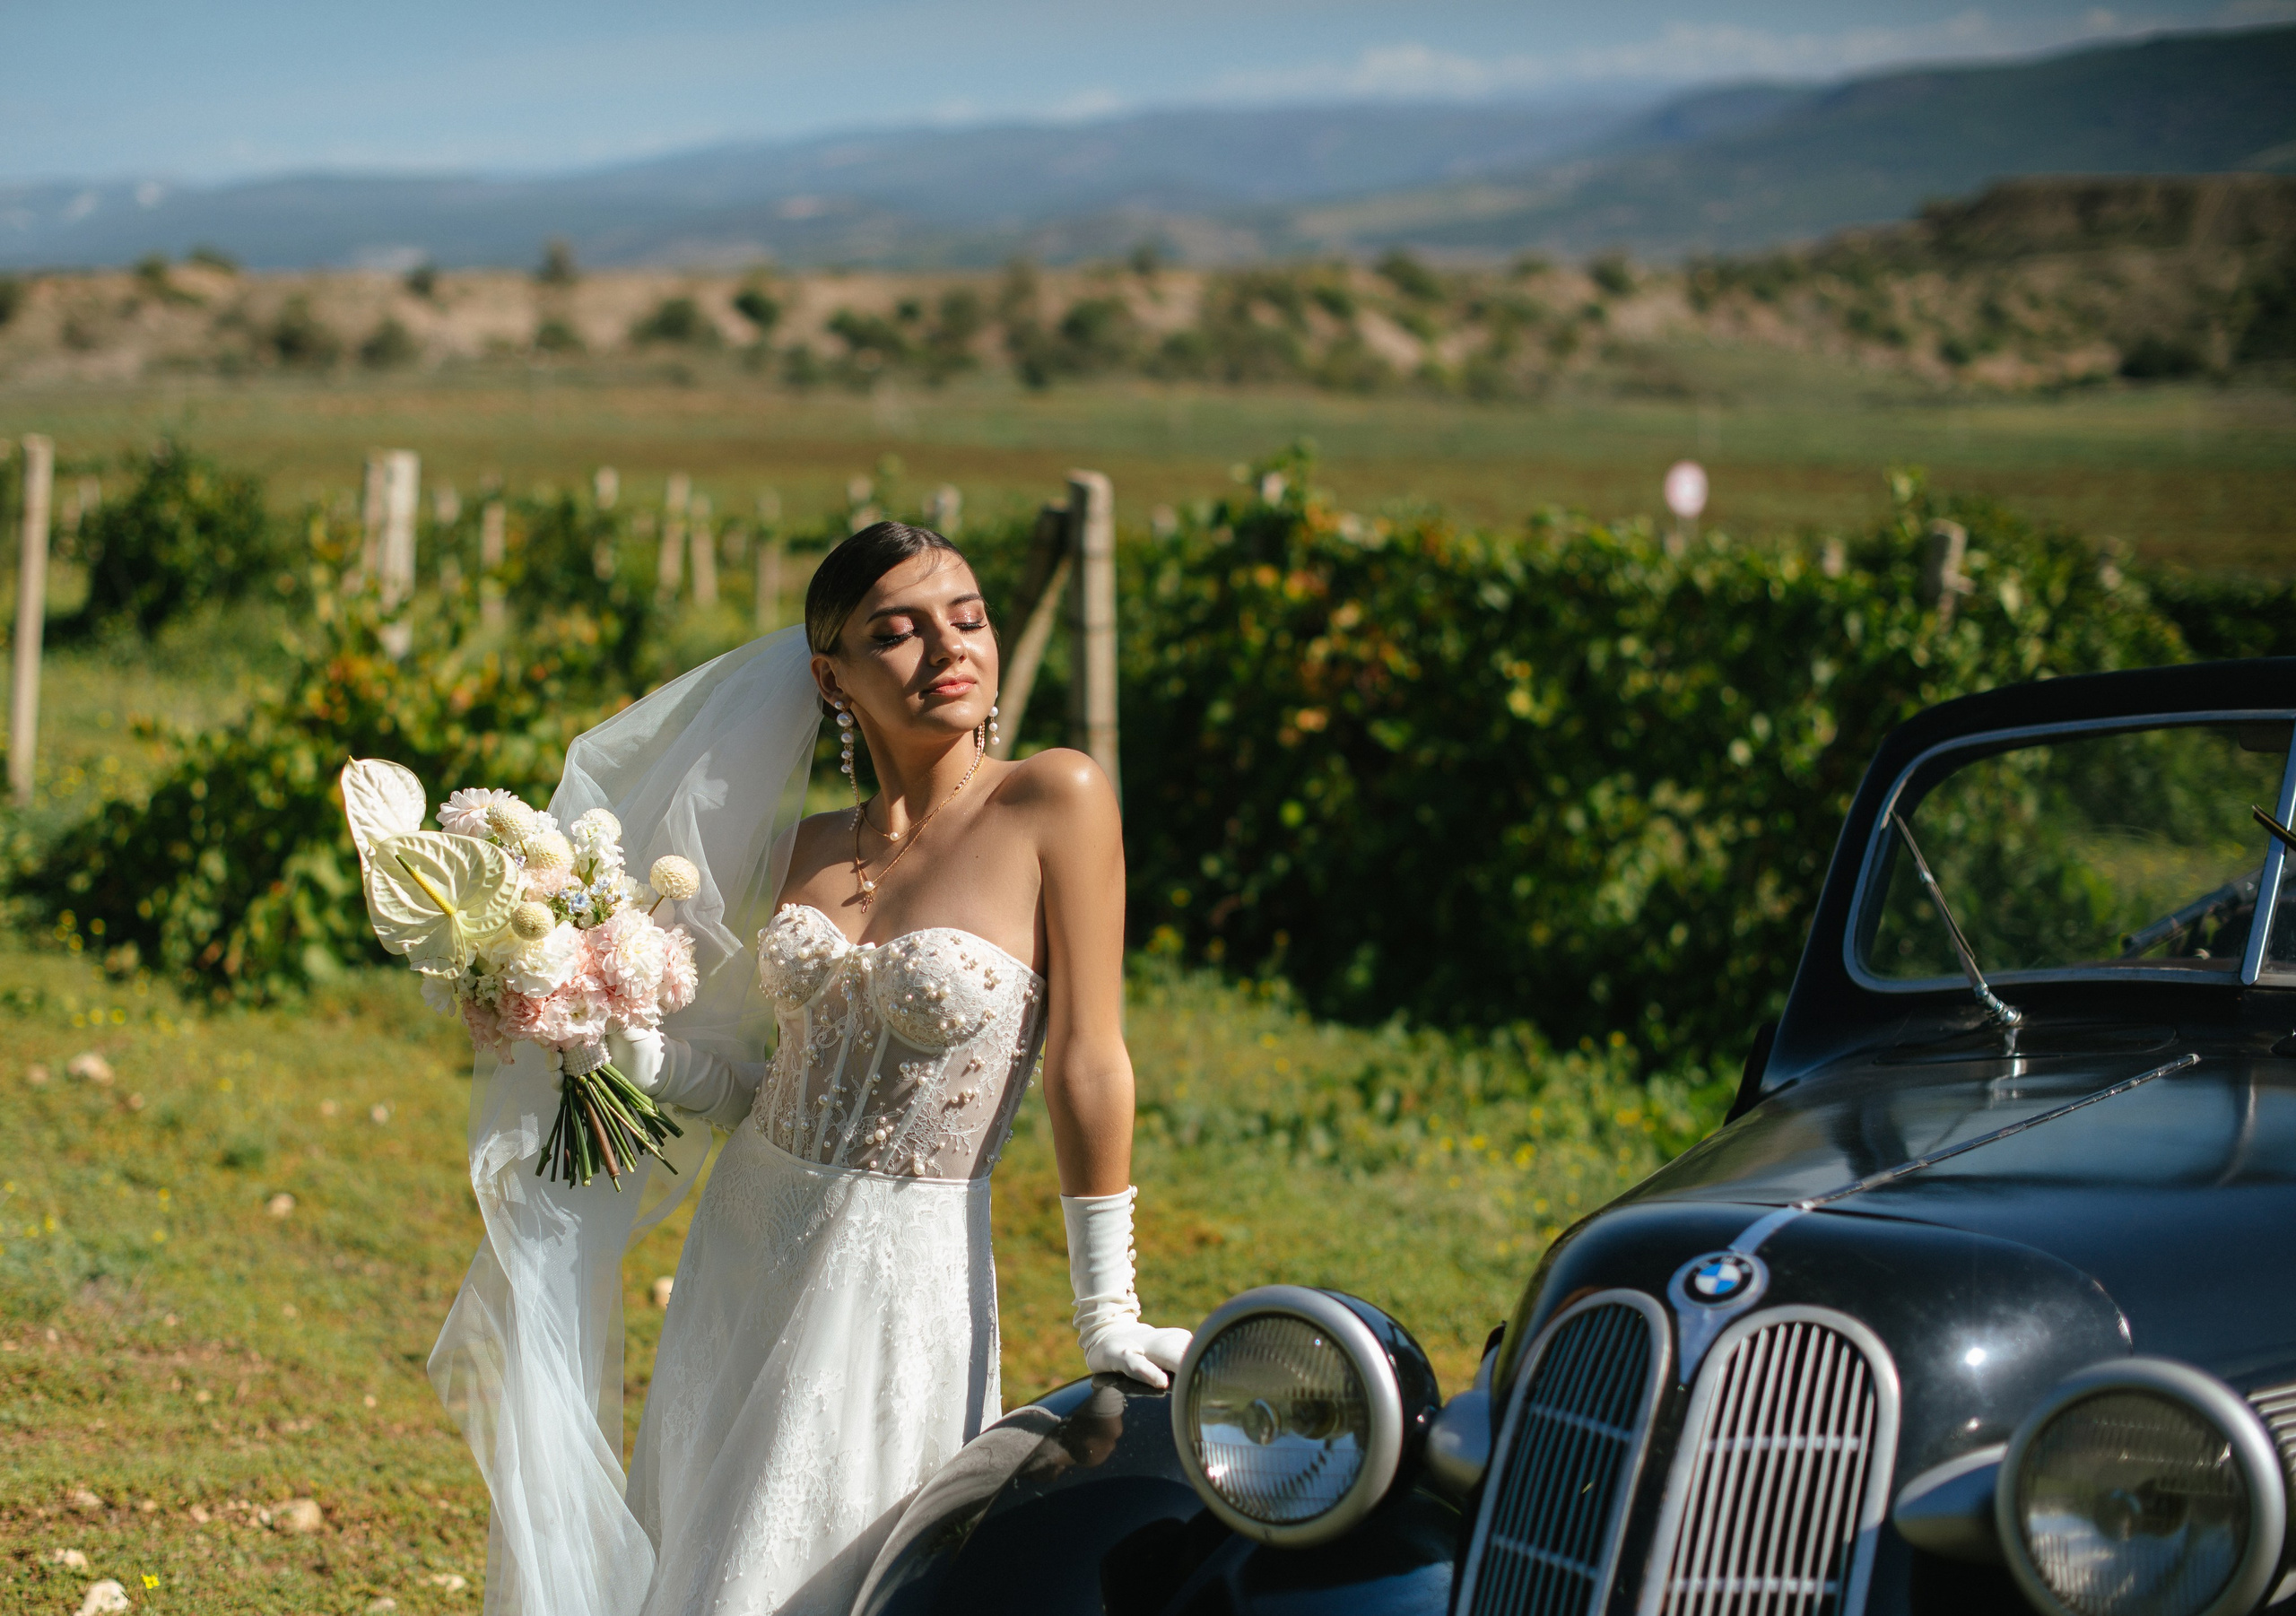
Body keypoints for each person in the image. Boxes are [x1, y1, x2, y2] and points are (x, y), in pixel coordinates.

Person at [428, 521, 1189, 1616]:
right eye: (900, 631)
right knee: (702, 1548)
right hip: (743, 1242)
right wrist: (609, 1037)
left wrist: (1106, 1305)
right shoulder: (804, 848)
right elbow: (755, 1082)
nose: (948, 650)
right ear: (831, 677)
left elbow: (1087, 1057)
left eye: (966, 618)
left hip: (898, 1271)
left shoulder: (1053, 799)